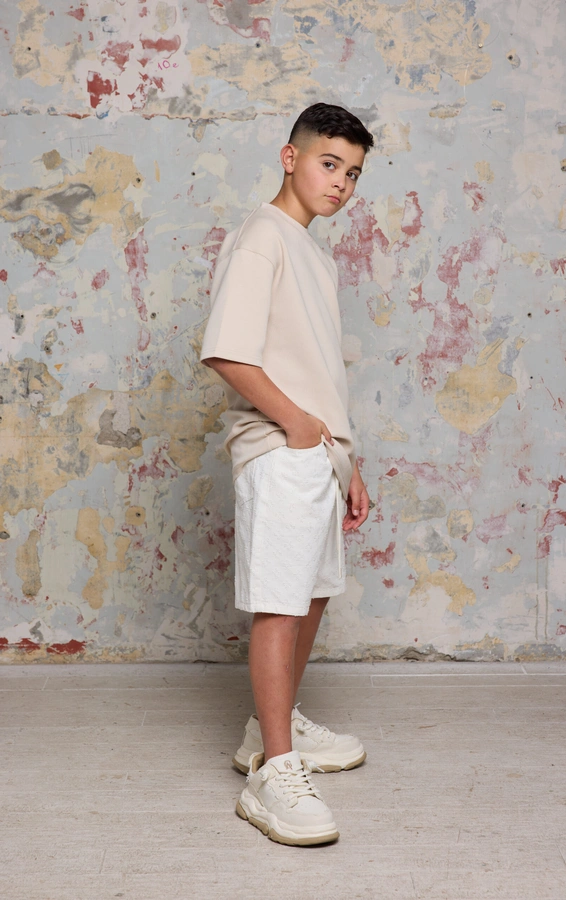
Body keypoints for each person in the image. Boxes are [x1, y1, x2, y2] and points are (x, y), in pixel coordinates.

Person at [201, 102, 373, 846]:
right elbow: (226, 350)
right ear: (290, 157)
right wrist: (299, 428)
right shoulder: (262, 237)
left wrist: (345, 458)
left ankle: (269, 726)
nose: (341, 183)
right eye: (330, 164)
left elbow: (315, 368)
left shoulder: (313, 254)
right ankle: (272, 773)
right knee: (279, 604)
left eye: (353, 173)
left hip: (318, 454)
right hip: (279, 449)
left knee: (311, 594)